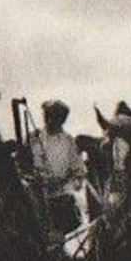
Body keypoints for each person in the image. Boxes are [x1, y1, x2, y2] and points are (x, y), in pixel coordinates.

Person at [27, 99, 85, 238]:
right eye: (46, 115)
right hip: (37, 197)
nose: (47, 119)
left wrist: (64, 186)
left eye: (52, 116)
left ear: (62, 119)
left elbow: (78, 172)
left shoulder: (68, 141)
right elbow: (23, 167)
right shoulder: (33, 138)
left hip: (62, 199)